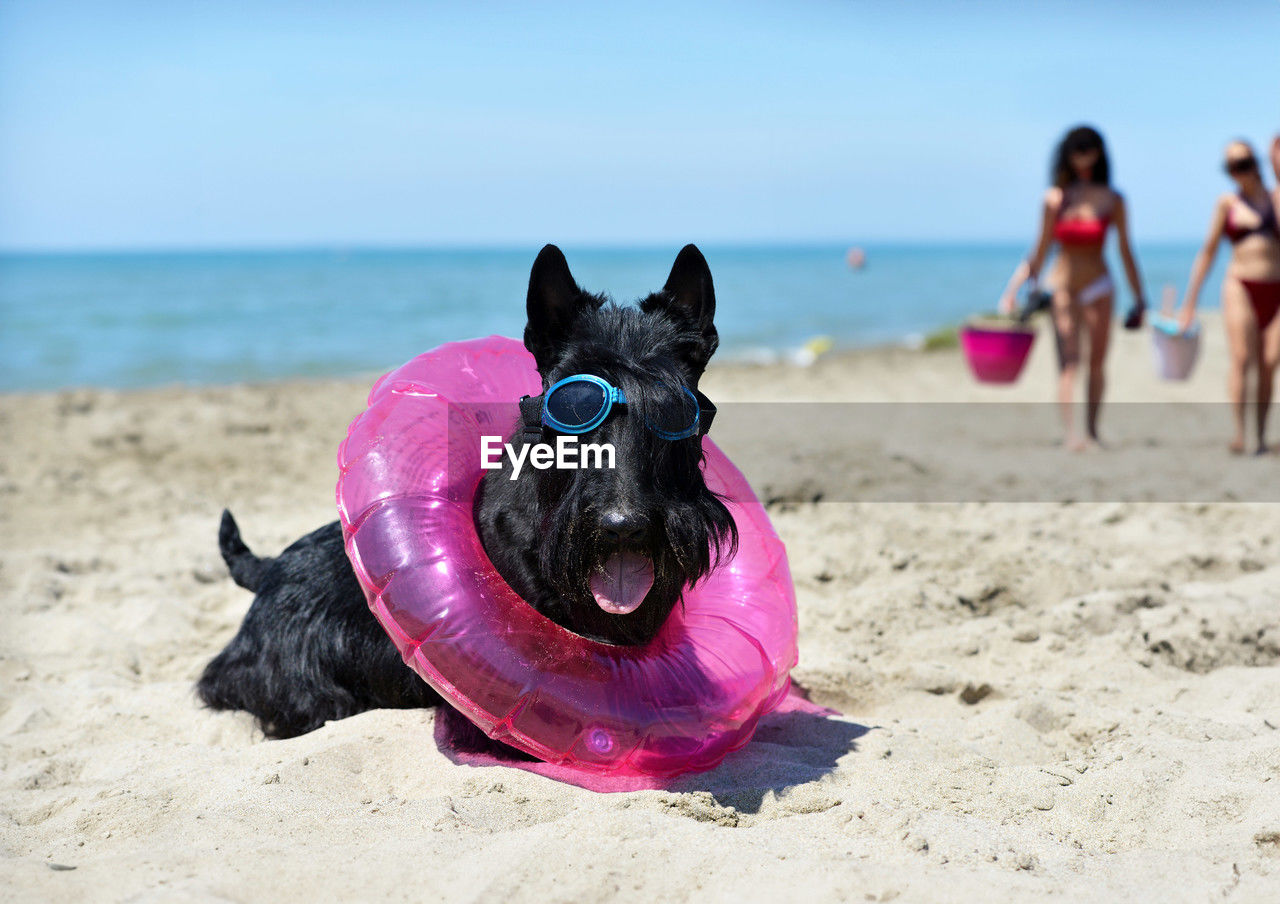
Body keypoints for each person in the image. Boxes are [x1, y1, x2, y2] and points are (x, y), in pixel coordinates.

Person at [999, 125, 1147, 451]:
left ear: (1099, 154)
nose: (1083, 158)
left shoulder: (1113, 199)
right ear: (1066, 155)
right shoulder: (1055, 199)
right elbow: (1039, 250)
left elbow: (1125, 251)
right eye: (1076, 151)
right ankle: (1072, 434)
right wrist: (1013, 289)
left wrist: (1140, 297)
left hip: (1100, 284)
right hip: (1062, 284)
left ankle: (1092, 430)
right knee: (1069, 361)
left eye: (1088, 150)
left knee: (1096, 362)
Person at [1175, 138, 1280, 455]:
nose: (1239, 171)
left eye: (1244, 163)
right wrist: (1190, 302)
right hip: (1240, 285)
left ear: (1257, 162)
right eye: (1232, 166)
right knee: (1243, 359)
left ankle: (1260, 436)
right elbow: (1207, 253)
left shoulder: (1275, 199)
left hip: (1276, 286)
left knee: (1269, 363)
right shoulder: (1227, 204)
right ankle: (1240, 433)